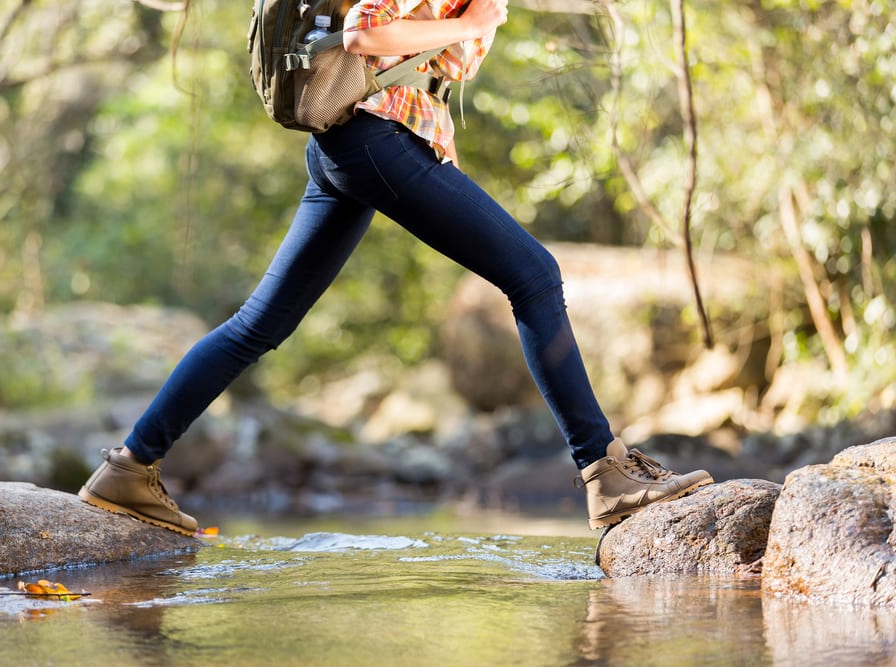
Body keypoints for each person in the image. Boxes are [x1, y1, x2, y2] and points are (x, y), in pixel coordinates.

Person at [78, 0, 713, 536]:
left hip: (352, 144)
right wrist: (470, 24)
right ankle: (606, 475)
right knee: (536, 275)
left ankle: (129, 468)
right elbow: (364, 31)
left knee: (256, 325)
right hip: (376, 138)